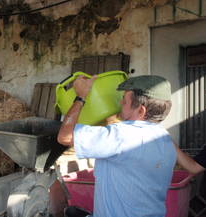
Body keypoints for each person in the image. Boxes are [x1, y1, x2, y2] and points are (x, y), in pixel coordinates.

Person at [58, 75, 177, 217]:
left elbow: (65, 136)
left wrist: (81, 97)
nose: (120, 103)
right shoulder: (165, 139)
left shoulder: (123, 135)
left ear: (141, 110)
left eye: (125, 101)